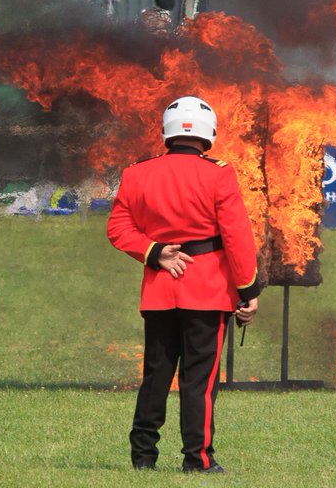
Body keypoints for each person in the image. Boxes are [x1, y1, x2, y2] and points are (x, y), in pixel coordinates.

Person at [106, 96, 262, 475]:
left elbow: (117, 228)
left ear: (167, 132)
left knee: (156, 377)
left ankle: (143, 456)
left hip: (160, 289)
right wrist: (248, 291)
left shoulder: (137, 173)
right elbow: (237, 237)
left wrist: (154, 251)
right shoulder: (219, 173)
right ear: (207, 134)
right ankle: (199, 460)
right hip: (208, 291)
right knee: (199, 382)